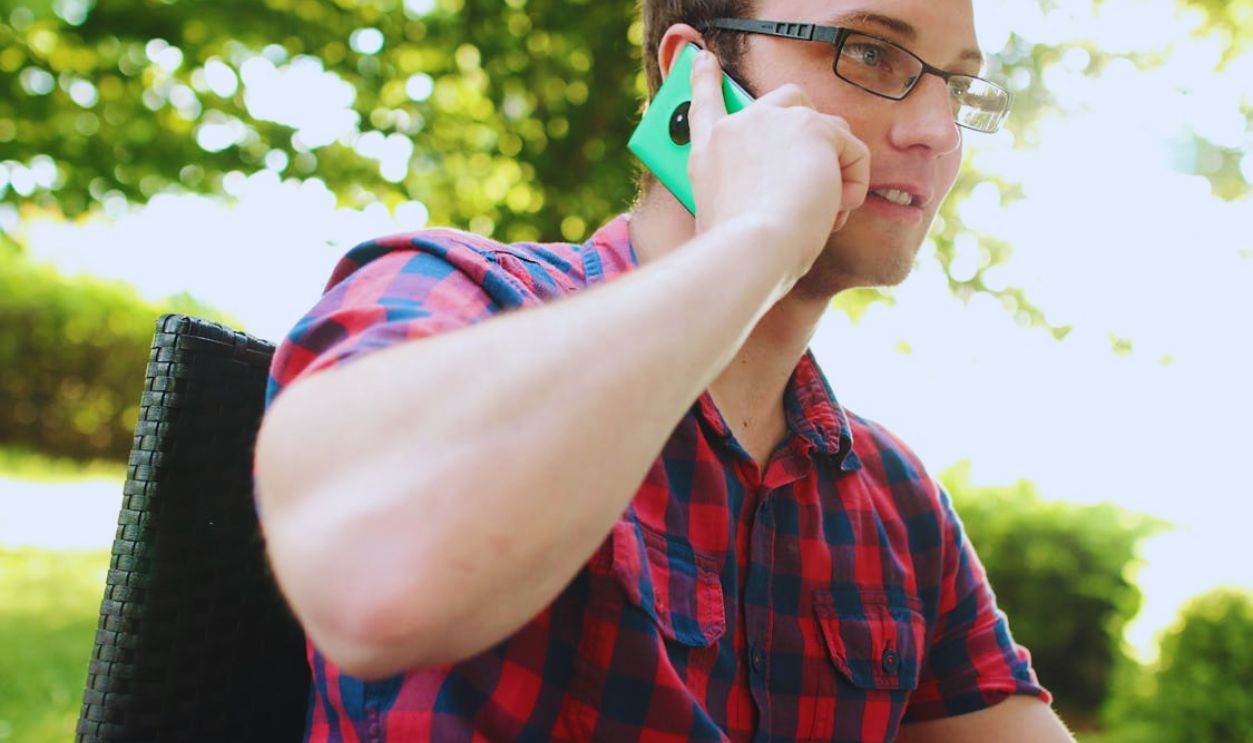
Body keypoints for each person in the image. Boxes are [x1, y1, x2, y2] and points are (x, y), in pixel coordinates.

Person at [255, 0, 1078, 740]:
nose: (936, 128)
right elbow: (372, 587)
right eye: (869, 53)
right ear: (696, 81)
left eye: (958, 86)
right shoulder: (455, 297)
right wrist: (757, 238)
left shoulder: (895, 501)